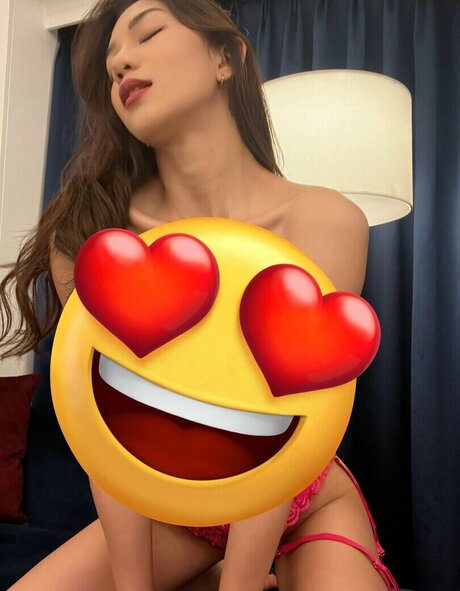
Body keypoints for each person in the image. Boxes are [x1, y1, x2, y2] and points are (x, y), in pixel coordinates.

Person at [0, 1, 400, 589]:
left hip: (301, 497)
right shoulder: (92, 231)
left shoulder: (323, 219)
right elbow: (106, 432)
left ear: (225, 58)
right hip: (173, 512)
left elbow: (284, 419)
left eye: (148, 34)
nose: (121, 63)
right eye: (111, 62)